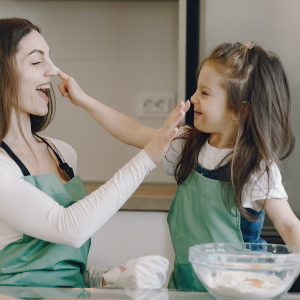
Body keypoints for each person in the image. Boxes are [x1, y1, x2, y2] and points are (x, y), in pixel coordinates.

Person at [57, 41, 300, 291]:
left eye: (205, 93)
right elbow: (132, 131)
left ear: (240, 110)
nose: (193, 98)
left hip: (241, 291)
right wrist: (83, 100)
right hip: (186, 287)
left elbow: (290, 225)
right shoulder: (186, 145)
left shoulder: (256, 168)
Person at [0, 17, 190, 287]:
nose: (52, 71)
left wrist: (108, 277)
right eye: (36, 61)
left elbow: (60, 263)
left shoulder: (62, 154)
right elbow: (70, 228)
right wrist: (149, 157)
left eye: (50, 59)